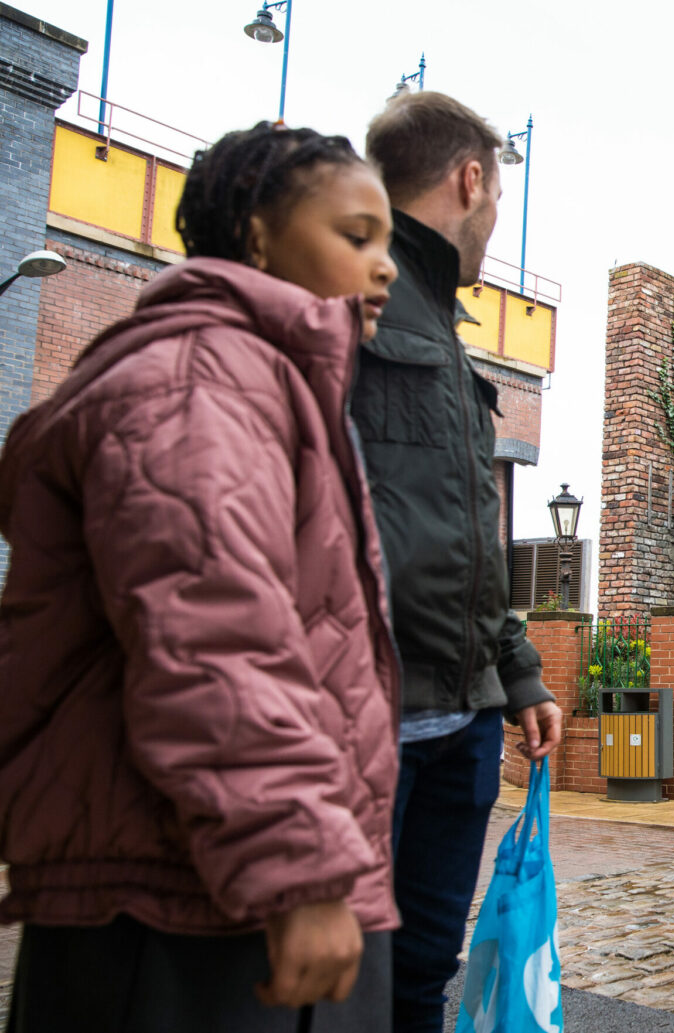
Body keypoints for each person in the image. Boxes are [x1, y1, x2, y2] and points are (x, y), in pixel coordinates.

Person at [0, 123, 401, 1031]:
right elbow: (217, 636)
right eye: (355, 236)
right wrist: (302, 865)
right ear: (258, 236)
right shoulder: (198, 382)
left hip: (226, 880)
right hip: (187, 907)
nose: (385, 269)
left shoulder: (262, 380)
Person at [359, 91, 563, 1033]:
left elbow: (464, 537)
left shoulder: (444, 325)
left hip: (463, 719)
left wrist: (517, 674)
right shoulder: (354, 294)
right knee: (338, 983)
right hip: (371, 719)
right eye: (493, 201)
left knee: (419, 981)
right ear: (470, 178)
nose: (492, 228)